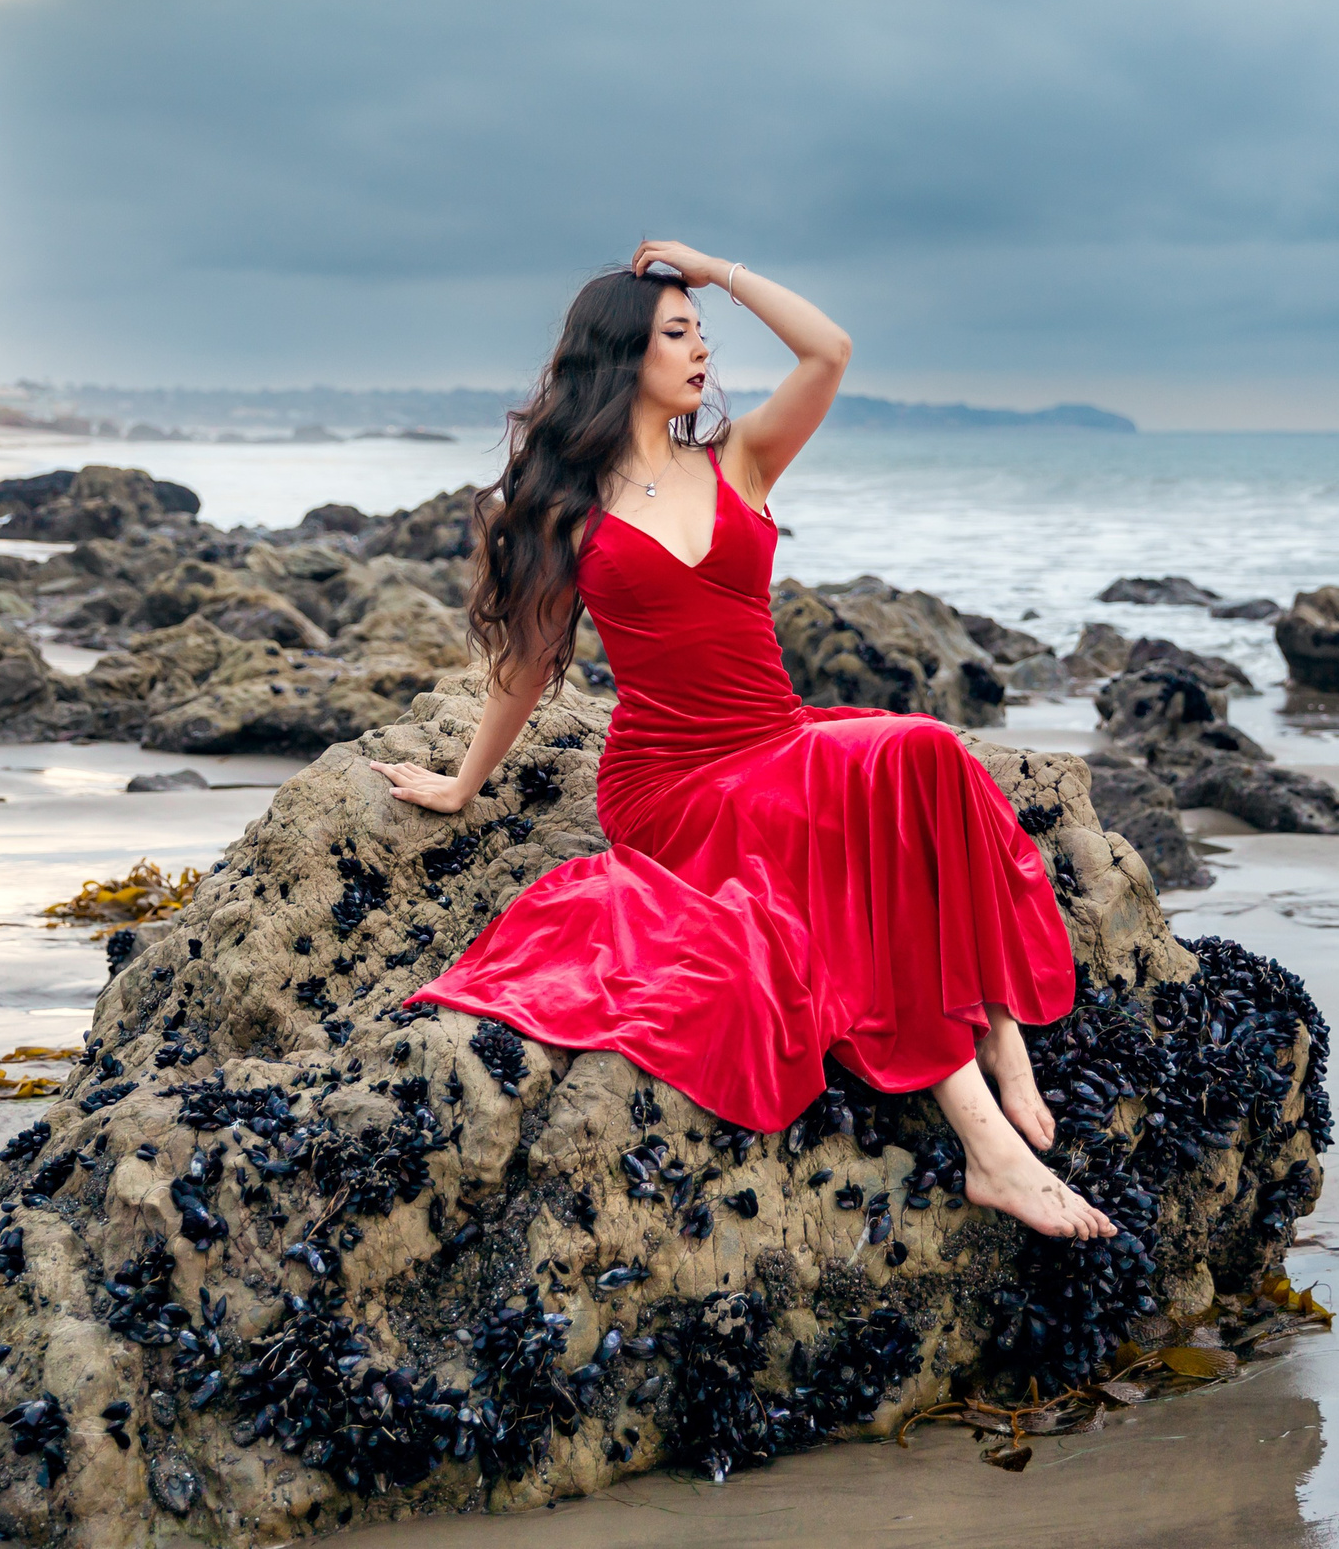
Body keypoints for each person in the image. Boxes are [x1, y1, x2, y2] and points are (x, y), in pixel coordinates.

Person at [374, 241, 1115, 1239]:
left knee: (920, 750)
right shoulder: (566, 511)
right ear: (623, 353)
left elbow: (830, 351)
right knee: (820, 844)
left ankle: (993, 1015)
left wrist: (715, 271)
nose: (701, 352)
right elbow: (526, 667)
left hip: (775, 733)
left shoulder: (741, 459)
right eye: (677, 333)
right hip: (671, 780)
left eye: (701, 333)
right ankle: (988, 1144)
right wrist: (464, 782)